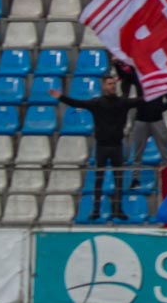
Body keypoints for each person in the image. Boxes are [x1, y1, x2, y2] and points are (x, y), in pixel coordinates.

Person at [59, 74, 146, 221]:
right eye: (109, 84)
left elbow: (141, 100)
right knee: (99, 179)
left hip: (117, 145)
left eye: (113, 84)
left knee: (118, 179)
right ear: (104, 86)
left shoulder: (122, 102)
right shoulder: (97, 103)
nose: (112, 86)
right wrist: (61, 97)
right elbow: (77, 103)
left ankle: (118, 209)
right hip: (102, 146)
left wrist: (156, 89)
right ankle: (96, 210)